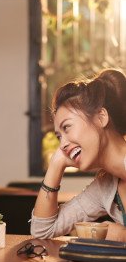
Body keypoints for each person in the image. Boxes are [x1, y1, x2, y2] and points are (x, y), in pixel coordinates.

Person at [31, 69, 126, 242]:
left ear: (100, 117)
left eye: (67, 127)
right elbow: (42, 230)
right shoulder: (105, 187)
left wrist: (123, 235)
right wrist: (56, 164)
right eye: (59, 136)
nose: (62, 145)